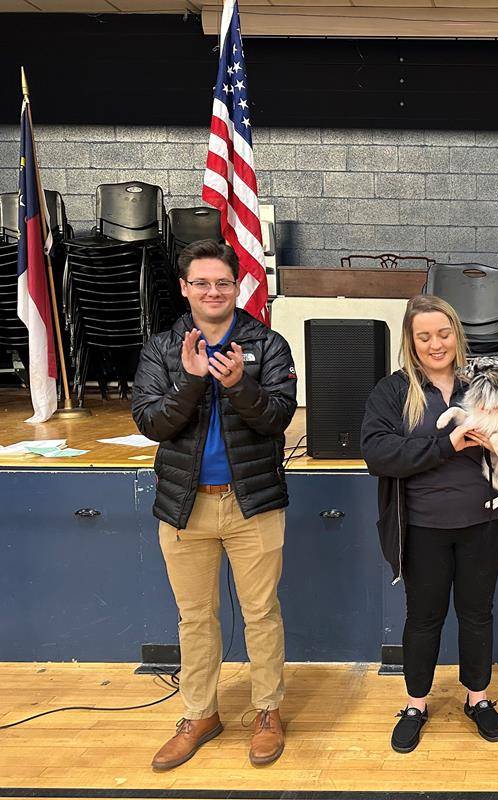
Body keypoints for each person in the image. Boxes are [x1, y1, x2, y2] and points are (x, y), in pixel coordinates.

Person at [132, 240, 297, 771]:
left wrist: (237, 384)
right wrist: (191, 381)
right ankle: (200, 714)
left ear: (236, 286)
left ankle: (267, 711)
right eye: (200, 282)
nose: (212, 291)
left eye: (222, 282)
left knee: (261, 613)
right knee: (195, 617)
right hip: (185, 507)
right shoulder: (162, 349)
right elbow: (152, 422)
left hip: (253, 504)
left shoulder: (267, 345)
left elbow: (276, 417)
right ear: (184, 289)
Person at [360, 294, 498, 754]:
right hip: (421, 527)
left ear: (456, 336)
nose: (435, 344)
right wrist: (449, 444)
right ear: (411, 340)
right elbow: (379, 454)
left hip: (483, 523)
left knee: (477, 613)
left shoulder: (482, 383)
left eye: (443, 333)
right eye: (424, 336)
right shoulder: (392, 391)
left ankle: (476, 698)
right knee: (423, 618)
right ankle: (415, 704)